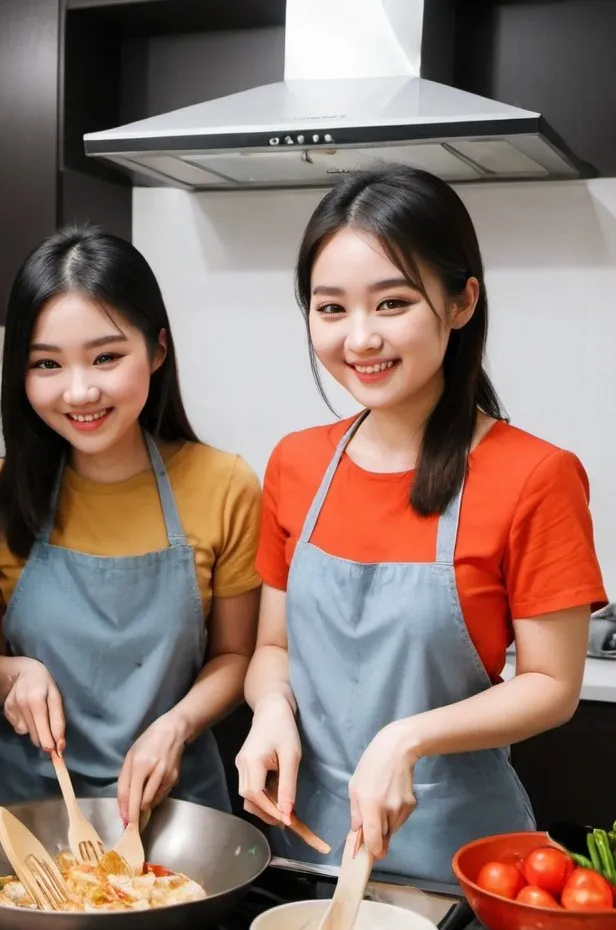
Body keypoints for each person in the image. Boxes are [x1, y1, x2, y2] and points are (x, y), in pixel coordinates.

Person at [236, 165, 608, 883]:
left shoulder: (536, 475)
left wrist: (407, 739)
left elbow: (553, 685)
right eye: (331, 308)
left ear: (462, 301)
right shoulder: (296, 464)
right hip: (303, 841)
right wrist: (270, 709)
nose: (361, 337)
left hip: (461, 859)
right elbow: (272, 648)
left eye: (393, 303)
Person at [0, 225, 262, 827]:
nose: (80, 390)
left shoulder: (226, 485)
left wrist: (177, 725)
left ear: (158, 350)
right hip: (22, 808)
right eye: (47, 363)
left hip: (174, 809)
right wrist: (18, 674)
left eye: (106, 356)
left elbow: (234, 657)